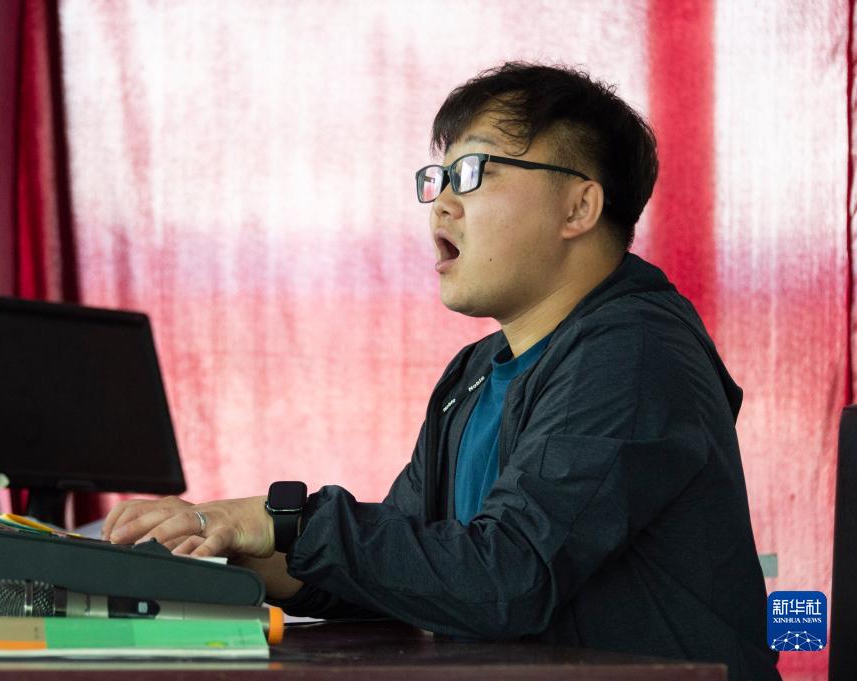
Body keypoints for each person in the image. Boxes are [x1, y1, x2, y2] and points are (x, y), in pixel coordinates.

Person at [102, 62, 780, 680]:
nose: (442, 204)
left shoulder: (633, 353)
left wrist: (287, 520)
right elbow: (416, 566)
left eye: (474, 172)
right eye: (439, 179)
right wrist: (225, 549)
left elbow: (508, 576)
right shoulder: (476, 373)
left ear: (578, 207)